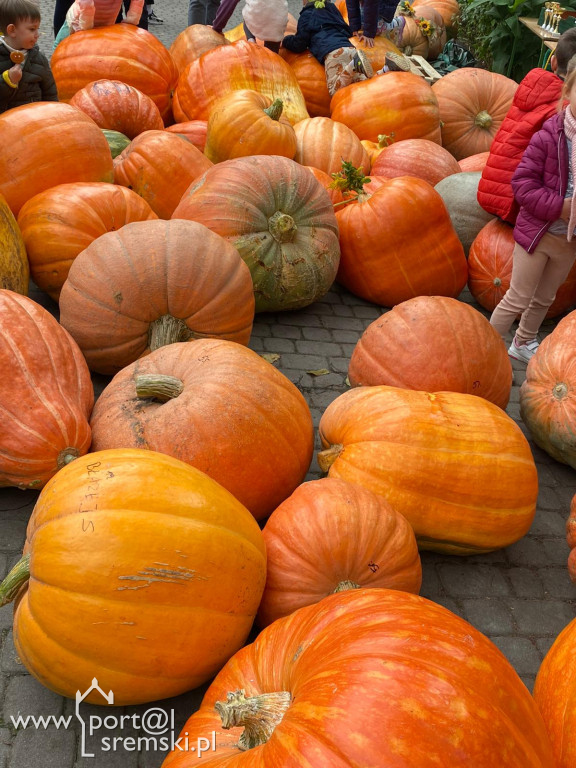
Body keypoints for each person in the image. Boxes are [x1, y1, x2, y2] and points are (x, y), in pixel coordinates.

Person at [489, 59, 576, 363]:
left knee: (545, 298)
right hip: (537, 233)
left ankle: (523, 342)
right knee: (518, 297)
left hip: (568, 241)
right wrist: (560, 208)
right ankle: (485, 346)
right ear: (568, 91)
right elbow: (522, 186)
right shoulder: (548, 137)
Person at [478, 27, 576, 225]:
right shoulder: (565, 110)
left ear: (554, 62)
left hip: (491, 188)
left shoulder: (533, 85)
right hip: (517, 203)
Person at [282, 0, 378, 97]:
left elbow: (300, 43)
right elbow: (346, 30)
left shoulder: (307, 15)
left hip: (333, 53)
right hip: (349, 48)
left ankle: (353, 65)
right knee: (362, 82)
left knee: (335, 92)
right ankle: (385, 70)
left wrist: (286, 41)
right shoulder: (332, 9)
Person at [0, 0, 58, 114]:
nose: (37, 34)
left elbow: (50, 93)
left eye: (38, 29)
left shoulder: (39, 60)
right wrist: (7, 80)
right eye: (32, 29)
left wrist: (54, 115)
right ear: (12, 30)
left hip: (32, 123)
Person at [54, 0, 144, 47]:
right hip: (104, 23)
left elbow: (85, 3)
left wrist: (86, 29)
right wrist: (132, 20)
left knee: (60, 45)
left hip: (80, 23)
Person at [212, 0, 288, 53]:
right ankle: (273, 58)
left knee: (248, 16)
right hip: (279, 21)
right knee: (272, 55)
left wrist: (217, 27)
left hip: (255, 19)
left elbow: (228, 4)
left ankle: (251, 41)